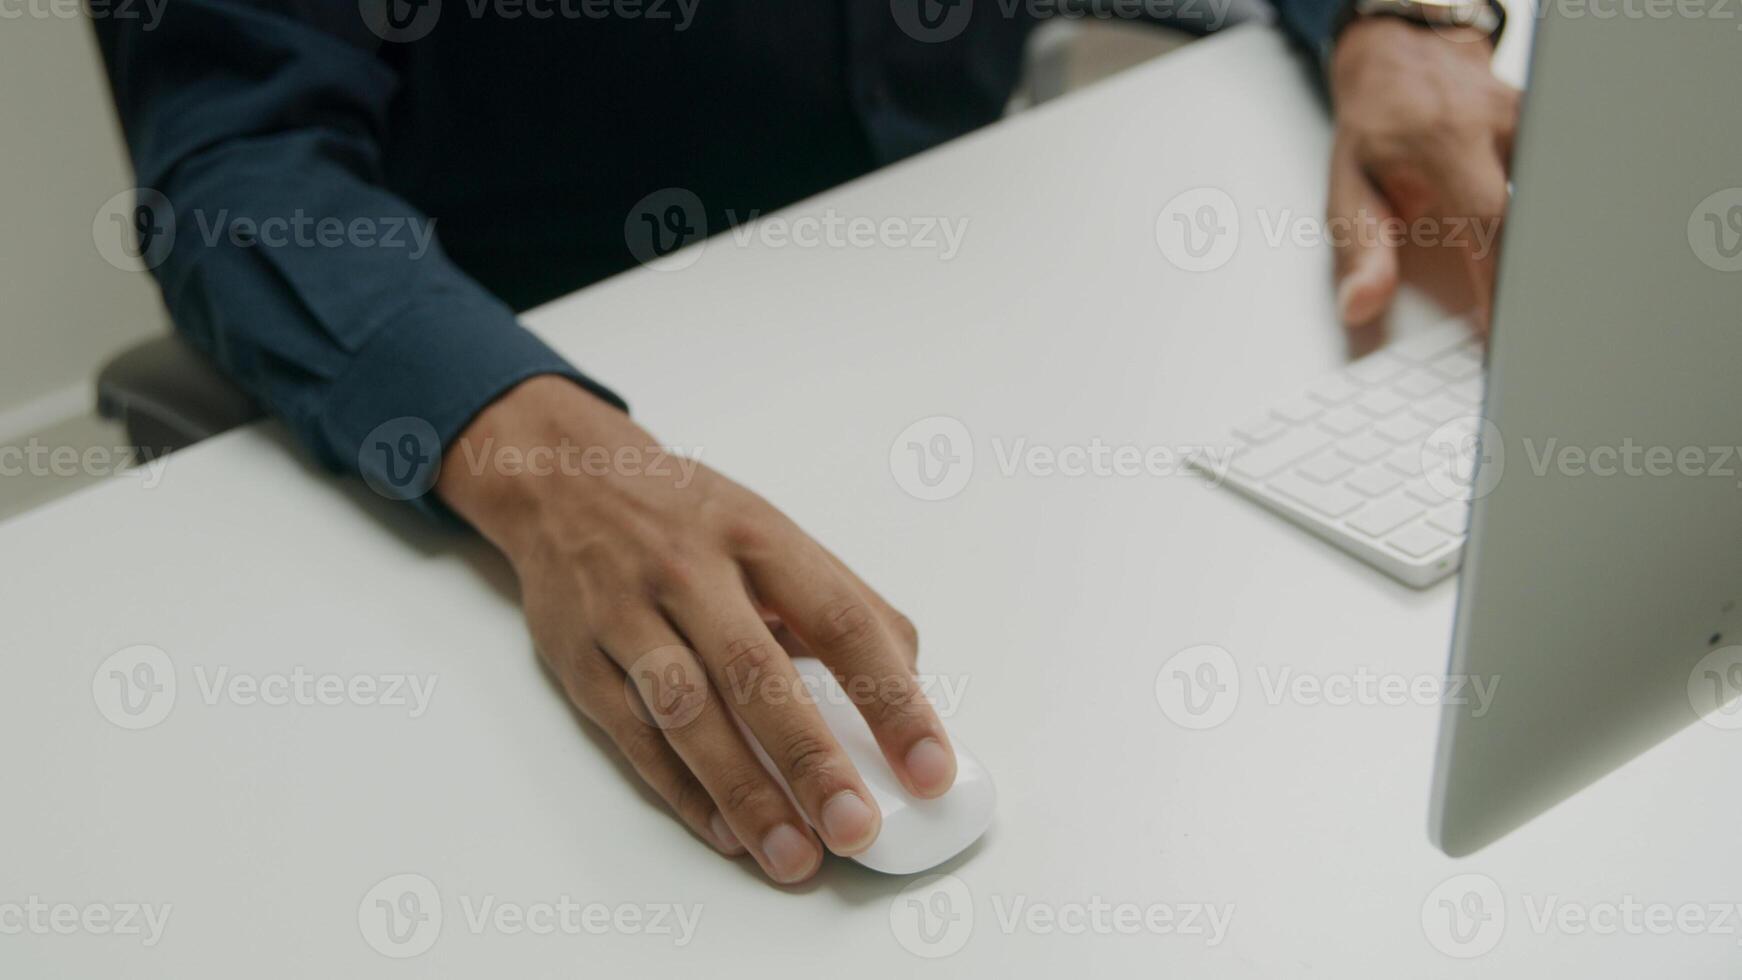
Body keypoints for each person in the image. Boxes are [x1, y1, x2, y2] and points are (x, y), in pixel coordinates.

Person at [92, 0, 1520, 884]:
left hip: (1016, 359)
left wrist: (1401, 17)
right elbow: (235, 165)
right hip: (544, 369)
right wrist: (524, 448)